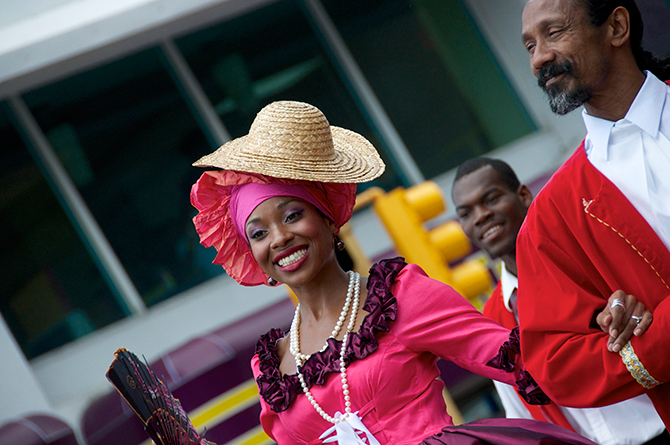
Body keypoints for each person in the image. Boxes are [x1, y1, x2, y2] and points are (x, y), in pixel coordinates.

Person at [189, 100, 597, 444]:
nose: (278, 238)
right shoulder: (271, 369)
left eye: (293, 215)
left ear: (330, 220)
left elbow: (525, 359)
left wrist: (599, 319)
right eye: (258, 232)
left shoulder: (400, 296)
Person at [518, 0, 670, 430]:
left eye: (554, 33)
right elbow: (557, 362)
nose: (539, 58)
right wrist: (631, 334)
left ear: (617, 26)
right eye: (529, 45)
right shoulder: (551, 218)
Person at [452, 157, 667, 444]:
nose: (480, 216)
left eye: (490, 199)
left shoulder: (585, 258)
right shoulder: (493, 317)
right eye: (465, 213)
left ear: (524, 195)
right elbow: (522, 418)